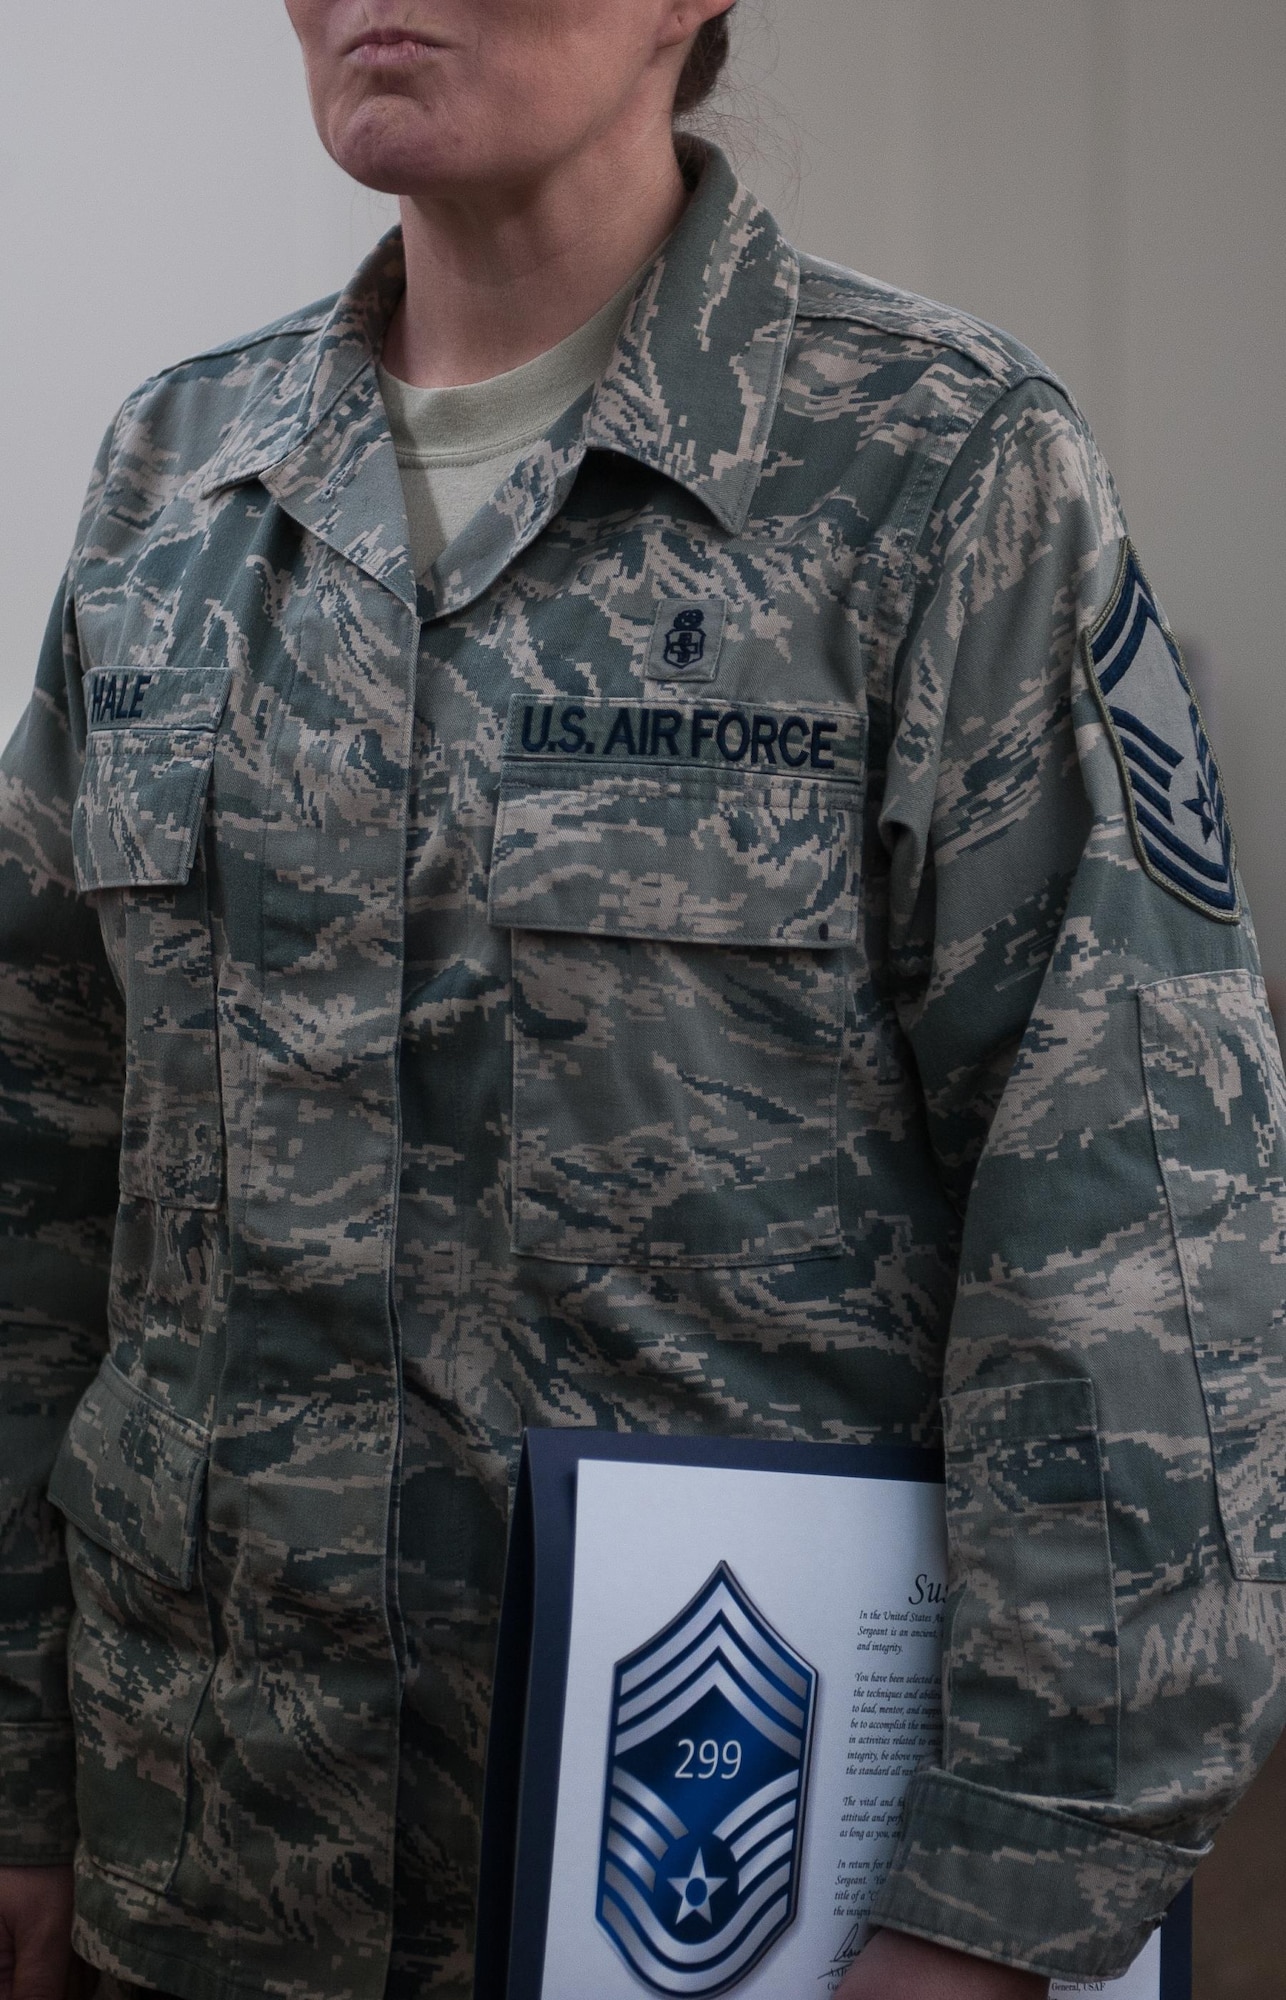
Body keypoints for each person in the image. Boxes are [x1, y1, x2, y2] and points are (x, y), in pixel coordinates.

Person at [1, 2, 1284, 1996]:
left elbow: (1132, 1222)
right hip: (210, 1855)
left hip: (723, 1891)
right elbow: (37, 1157)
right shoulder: (179, 476)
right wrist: (17, 1768)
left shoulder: (933, 463)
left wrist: (1002, 1894)